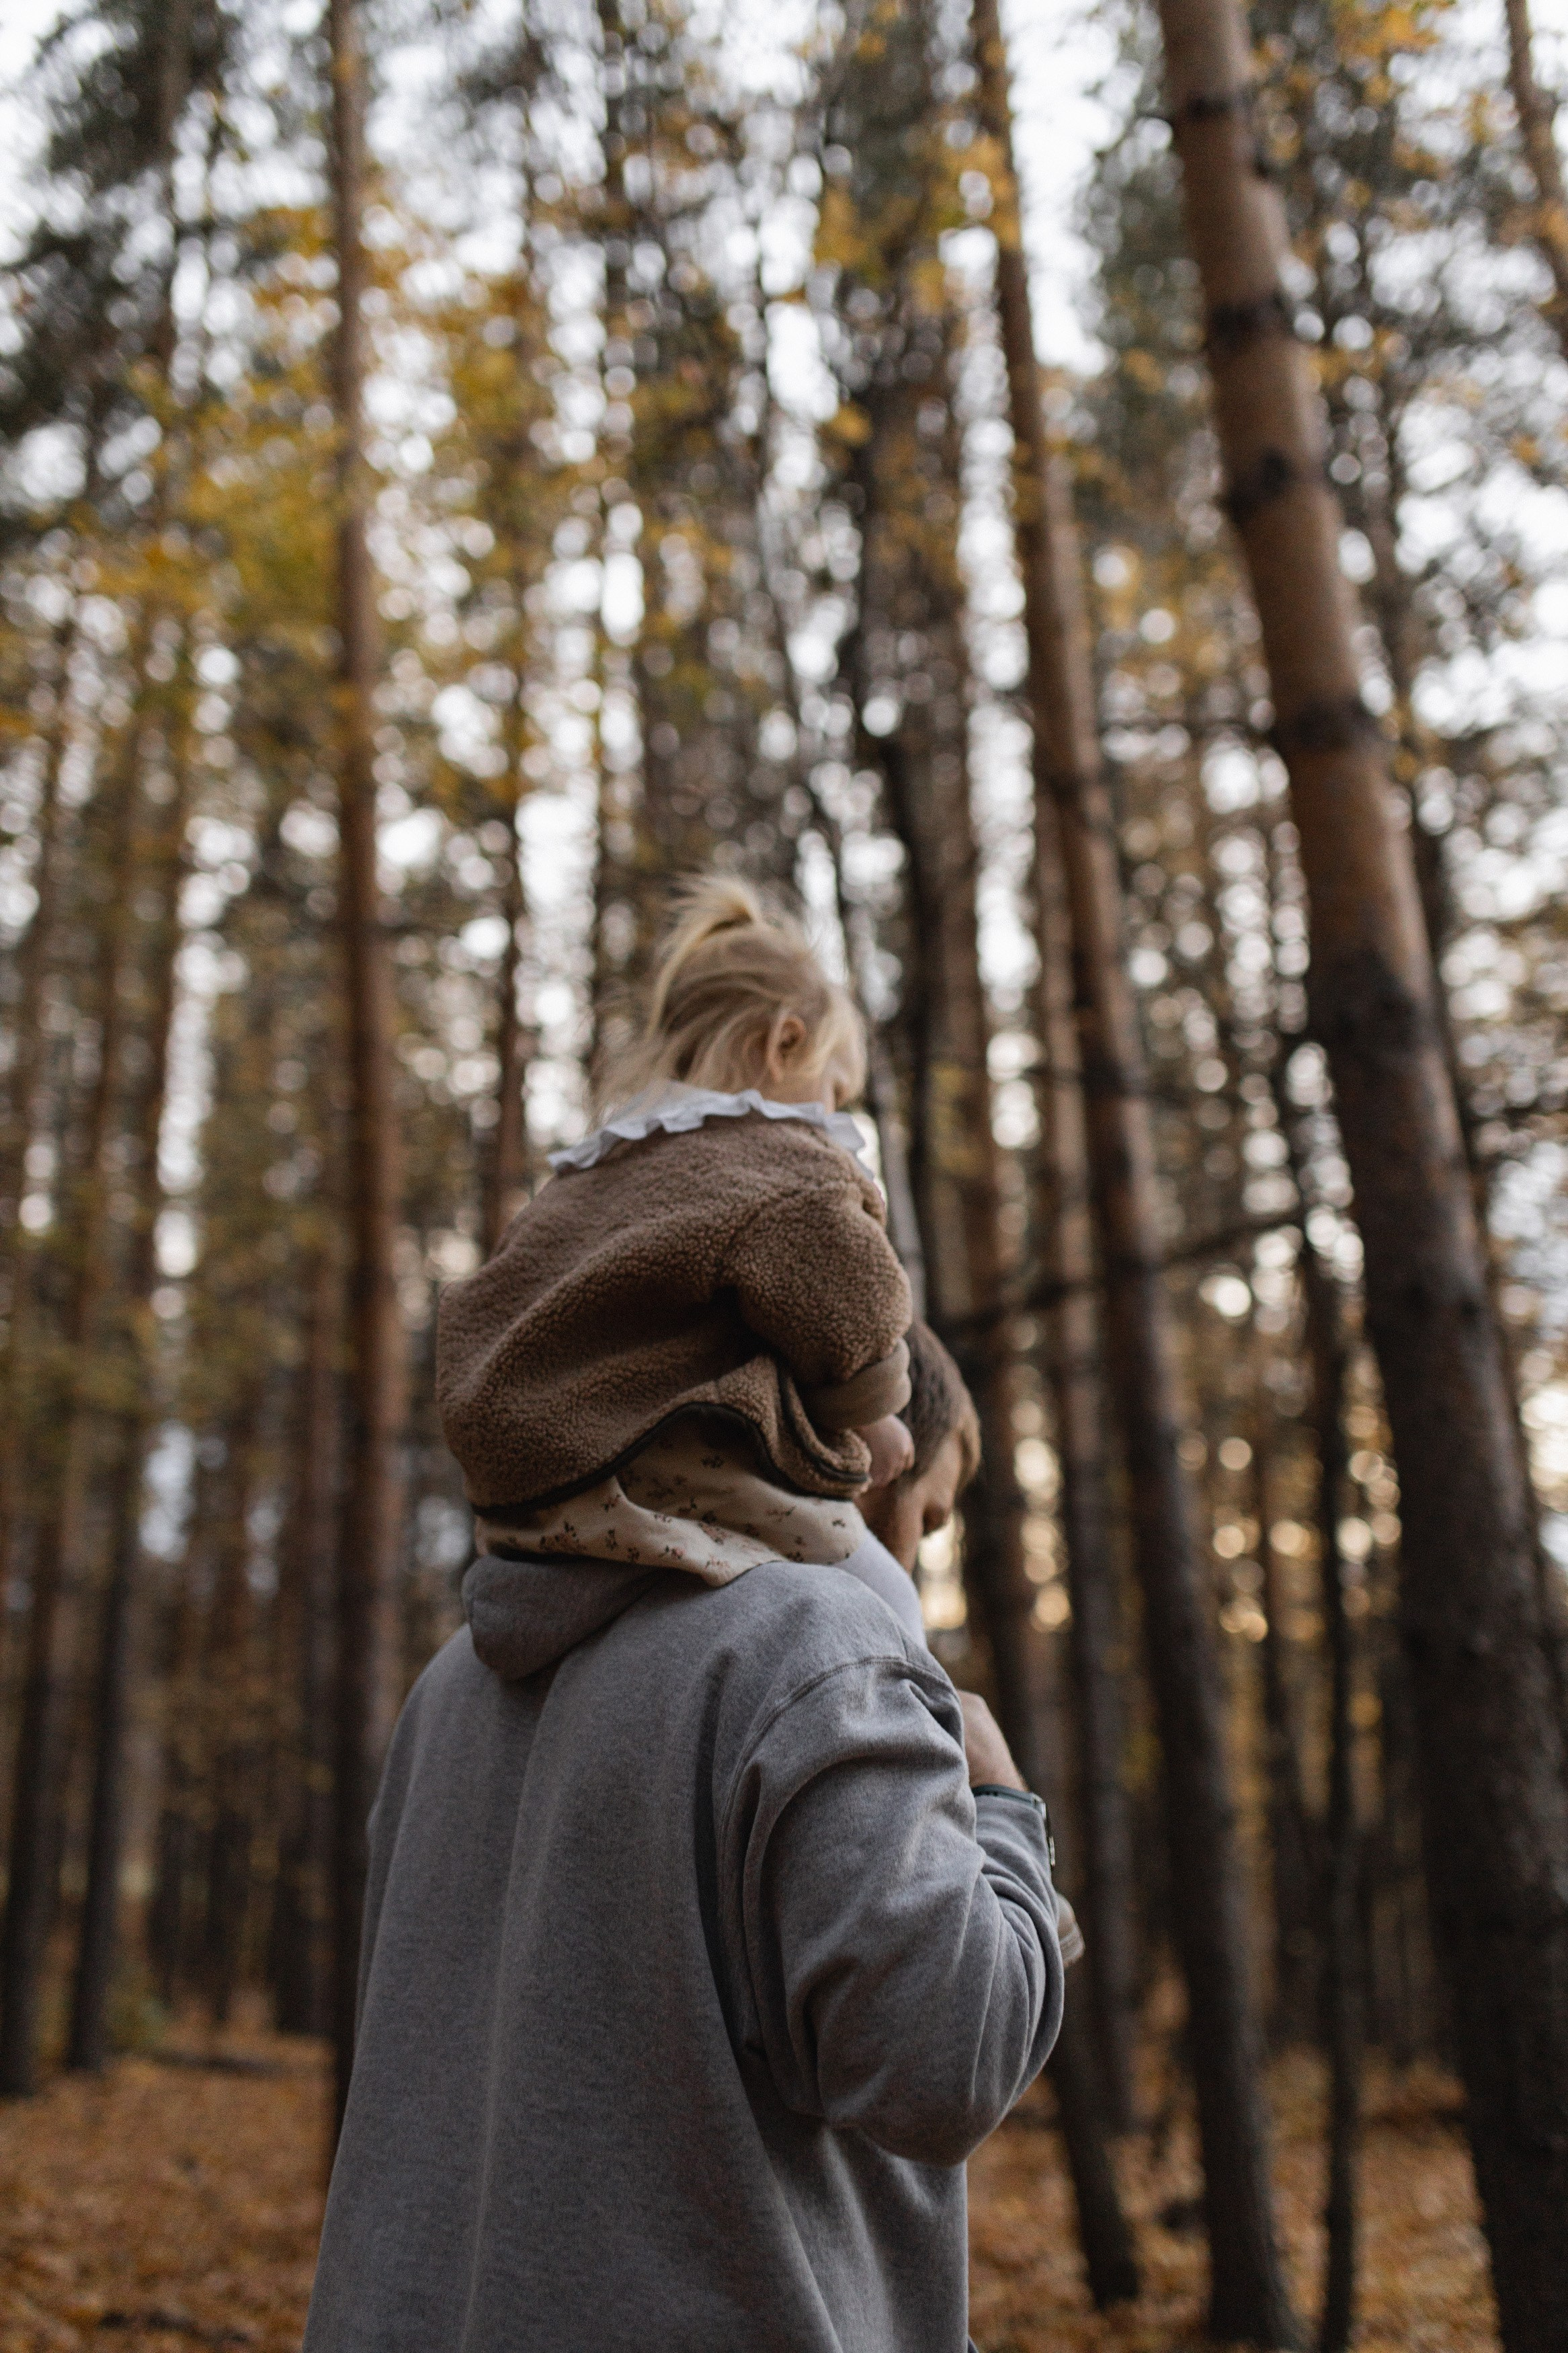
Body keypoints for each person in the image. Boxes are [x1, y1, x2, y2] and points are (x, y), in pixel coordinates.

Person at [302, 887, 1065, 2353]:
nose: (909, 1498)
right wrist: (1006, 1807)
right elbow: (942, 2064)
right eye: (926, 1487)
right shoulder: (817, 1653)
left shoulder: (458, 1682)